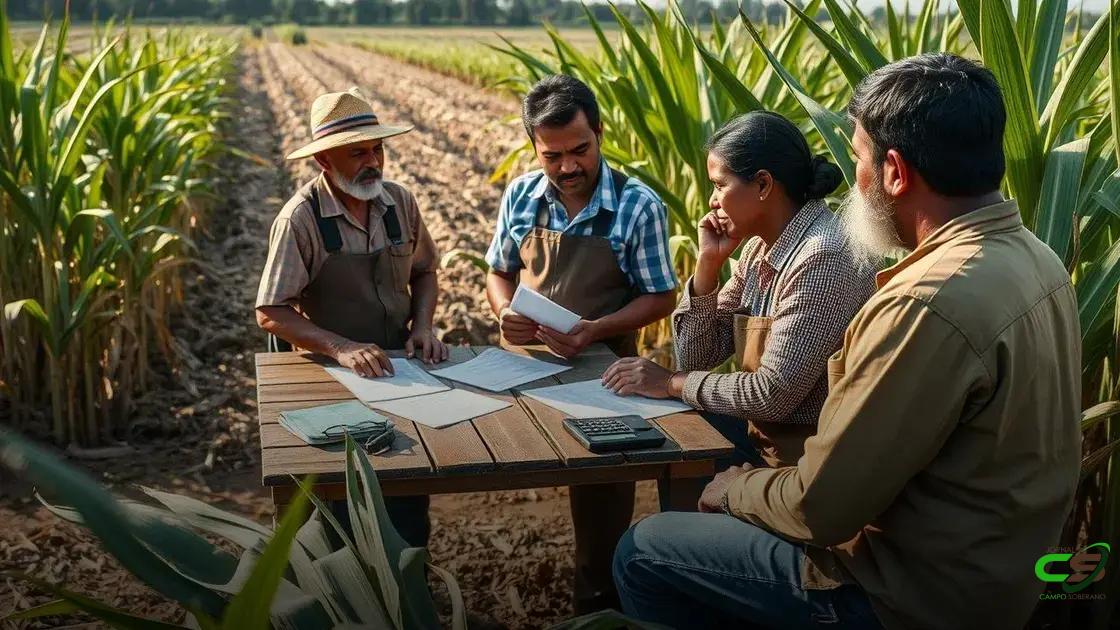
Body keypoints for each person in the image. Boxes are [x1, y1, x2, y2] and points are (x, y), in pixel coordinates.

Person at [613, 53, 1082, 630]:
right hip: (995, 569)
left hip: (910, 592)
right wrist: (706, 276)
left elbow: (820, 509)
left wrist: (735, 491)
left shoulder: (921, 303)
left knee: (642, 552)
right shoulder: (1038, 258)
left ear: (894, 172)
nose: (849, 180)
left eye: (856, 157)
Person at [483, 75, 678, 612]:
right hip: (521, 369)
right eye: (552, 156)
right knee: (487, 460)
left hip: (604, 375)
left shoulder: (639, 207)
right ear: (534, 149)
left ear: (600, 133)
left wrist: (594, 330)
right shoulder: (520, 194)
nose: (568, 167)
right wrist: (504, 313)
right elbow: (498, 272)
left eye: (580, 150)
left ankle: (597, 607)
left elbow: (661, 297)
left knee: (600, 497)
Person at [601, 111, 876, 470]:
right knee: (675, 422)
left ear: (762, 185)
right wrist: (707, 267)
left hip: (810, 462)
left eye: (719, 185)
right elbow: (697, 360)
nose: (713, 200)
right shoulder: (759, 248)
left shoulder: (823, 256)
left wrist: (670, 382)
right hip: (766, 441)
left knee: (678, 423)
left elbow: (771, 394)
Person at [256, 87, 448, 548]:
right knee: (337, 506)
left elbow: (424, 272)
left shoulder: (400, 203)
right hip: (328, 378)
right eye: (358, 152)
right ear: (324, 161)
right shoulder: (300, 219)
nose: (374, 162)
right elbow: (270, 311)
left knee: (405, 494)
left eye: (378, 149)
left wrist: (423, 326)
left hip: (399, 370)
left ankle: (405, 600)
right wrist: (340, 348)